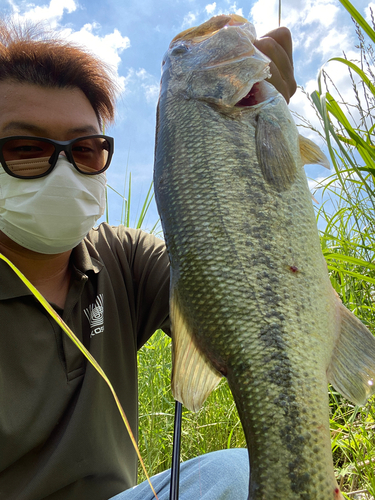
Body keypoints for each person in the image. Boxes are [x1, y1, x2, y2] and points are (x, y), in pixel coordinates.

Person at [0, 18, 296, 500]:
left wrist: (260, 134)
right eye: (26, 148)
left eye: (86, 150)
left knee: (236, 475)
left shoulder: (122, 258)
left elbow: (234, 285)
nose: (63, 167)